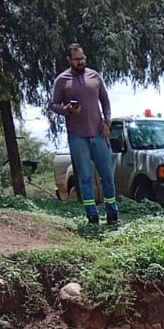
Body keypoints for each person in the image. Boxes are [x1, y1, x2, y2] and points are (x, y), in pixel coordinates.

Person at [50, 43, 119, 227]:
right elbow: (54, 105)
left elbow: (105, 100)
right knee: (85, 177)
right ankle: (92, 216)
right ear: (69, 60)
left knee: (107, 175)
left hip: (98, 133)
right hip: (77, 136)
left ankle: (112, 213)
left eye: (82, 58)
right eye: (76, 59)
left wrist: (107, 122)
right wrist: (67, 110)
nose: (80, 62)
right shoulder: (62, 80)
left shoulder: (94, 76)